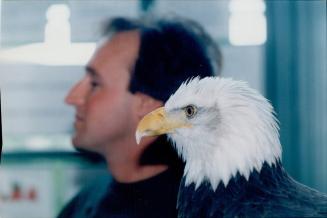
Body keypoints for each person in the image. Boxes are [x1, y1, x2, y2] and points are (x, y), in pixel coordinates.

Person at [57, 16, 222, 218]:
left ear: (147, 106)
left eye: (94, 84)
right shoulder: (86, 200)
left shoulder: (196, 211)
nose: (72, 98)